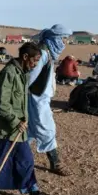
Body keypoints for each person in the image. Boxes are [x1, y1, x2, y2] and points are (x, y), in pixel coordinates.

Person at [0, 42, 51, 195]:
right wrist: (15, 121)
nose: (35, 64)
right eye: (34, 61)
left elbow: (32, 93)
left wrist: (47, 69)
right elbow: (2, 103)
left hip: (19, 129)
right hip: (3, 128)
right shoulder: (9, 73)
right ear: (25, 57)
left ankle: (33, 191)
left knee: (26, 160)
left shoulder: (23, 73)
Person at [27, 24, 72, 177]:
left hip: (41, 99)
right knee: (47, 130)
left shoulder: (47, 52)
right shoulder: (42, 54)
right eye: (63, 39)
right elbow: (29, 81)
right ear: (55, 38)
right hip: (36, 101)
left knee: (29, 133)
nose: (65, 43)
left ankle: (16, 158)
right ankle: (55, 163)